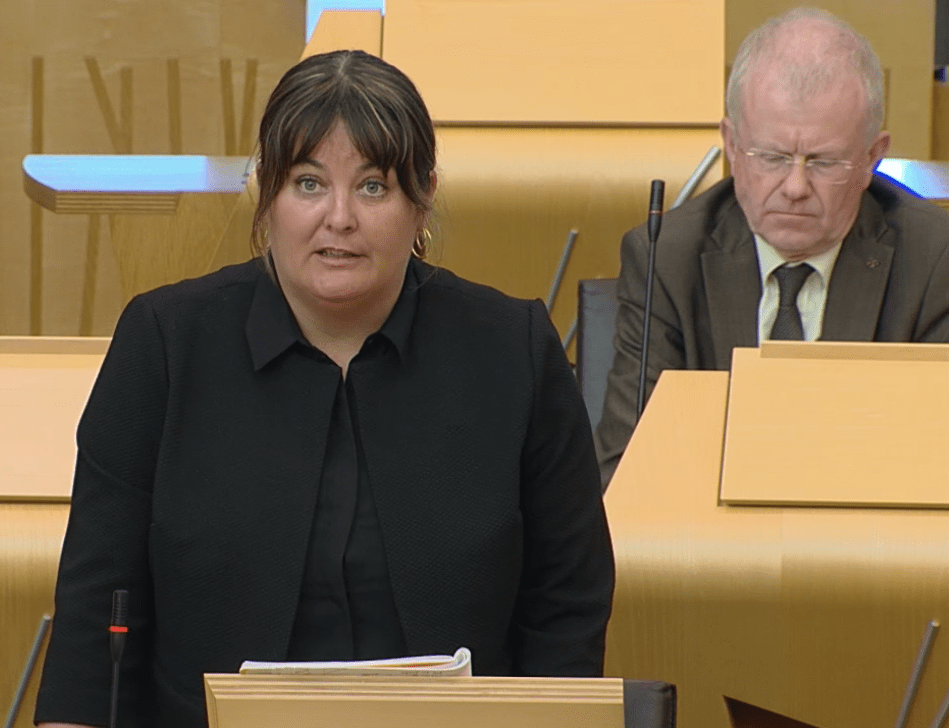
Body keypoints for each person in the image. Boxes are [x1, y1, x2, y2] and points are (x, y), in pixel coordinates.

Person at [34, 50, 614, 728]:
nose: (338, 218)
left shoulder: (512, 350)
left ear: (422, 197)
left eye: (372, 187)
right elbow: (96, 614)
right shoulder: (164, 345)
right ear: (267, 193)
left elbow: (566, 608)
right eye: (309, 184)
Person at [596, 7, 949, 487]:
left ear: (872, 157)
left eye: (823, 162)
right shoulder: (666, 258)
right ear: (731, 145)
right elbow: (629, 467)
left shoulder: (934, 260)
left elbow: (933, 465)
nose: (795, 186)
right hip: (710, 551)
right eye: (773, 158)